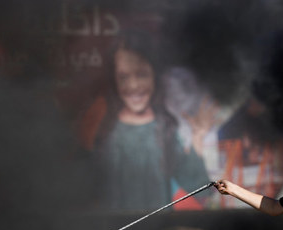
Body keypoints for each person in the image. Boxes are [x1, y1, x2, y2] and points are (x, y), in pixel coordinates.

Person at [89, 32, 213, 211]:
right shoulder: (105, 129)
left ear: (155, 75)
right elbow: (89, 188)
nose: (133, 86)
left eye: (141, 75)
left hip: (159, 229)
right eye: (124, 77)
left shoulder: (164, 127)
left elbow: (193, 186)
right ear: (114, 80)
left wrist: (197, 138)